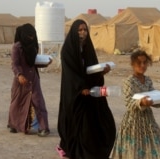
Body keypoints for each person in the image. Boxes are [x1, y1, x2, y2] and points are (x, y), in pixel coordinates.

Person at [57, 19, 116, 159]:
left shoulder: (88, 48)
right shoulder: (67, 50)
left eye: (85, 30)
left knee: (102, 120)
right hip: (75, 94)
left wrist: (101, 72)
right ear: (74, 32)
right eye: (80, 30)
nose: (83, 33)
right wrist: (81, 87)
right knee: (81, 126)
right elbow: (71, 73)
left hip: (90, 92)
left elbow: (92, 69)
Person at [111, 50, 160, 159]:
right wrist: (141, 102)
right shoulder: (129, 81)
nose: (142, 65)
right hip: (133, 121)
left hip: (148, 120)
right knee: (133, 150)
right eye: (139, 63)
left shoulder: (148, 80)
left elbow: (153, 98)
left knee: (155, 148)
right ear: (132, 64)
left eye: (145, 63)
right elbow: (128, 102)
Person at [7, 23, 51, 137]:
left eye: (33, 35)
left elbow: (34, 64)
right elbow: (14, 64)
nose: (31, 38)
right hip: (21, 80)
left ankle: (43, 128)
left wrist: (46, 63)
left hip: (33, 79)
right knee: (17, 102)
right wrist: (19, 75)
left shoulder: (34, 46)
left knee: (38, 102)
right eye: (29, 36)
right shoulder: (17, 47)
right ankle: (13, 124)